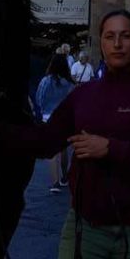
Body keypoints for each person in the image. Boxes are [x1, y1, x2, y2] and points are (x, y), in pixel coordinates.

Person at [0, 9, 130, 259]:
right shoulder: (82, 96)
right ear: (101, 42)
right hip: (85, 227)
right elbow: (46, 142)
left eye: (125, 36)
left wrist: (110, 149)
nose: (117, 44)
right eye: (109, 36)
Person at [35, 54, 75, 192]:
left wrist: (42, 110)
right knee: (64, 149)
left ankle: (55, 182)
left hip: (49, 115)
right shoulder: (69, 82)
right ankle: (65, 177)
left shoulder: (46, 80)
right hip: (65, 117)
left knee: (53, 151)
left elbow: (39, 97)